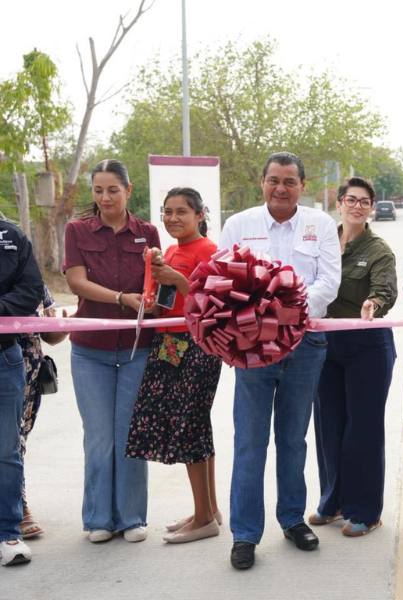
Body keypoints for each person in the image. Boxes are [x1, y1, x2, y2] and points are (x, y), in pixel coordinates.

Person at [219, 152, 340, 570]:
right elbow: (222, 279)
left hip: (305, 345)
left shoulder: (321, 225)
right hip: (252, 349)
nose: (281, 188)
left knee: (293, 439)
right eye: (274, 180)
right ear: (262, 182)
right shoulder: (239, 225)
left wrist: (288, 313)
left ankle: (292, 519)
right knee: (250, 442)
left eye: (289, 181)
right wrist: (263, 321)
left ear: (302, 185)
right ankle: (245, 534)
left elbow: (329, 281)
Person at [63, 159, 160, 544]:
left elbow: (155, 283)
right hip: (91, 352)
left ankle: (132, 517)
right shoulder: (77, 230)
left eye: (113, 190)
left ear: (129, 190)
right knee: (100, 437)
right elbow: (76, 282)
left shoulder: (147, 232)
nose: (105, 197)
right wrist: (122, 299)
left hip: (138, 349)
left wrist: (152, 299)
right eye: (99, 190)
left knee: (130, 434)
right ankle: (99, 518)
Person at [125, 187, 222, 544]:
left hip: (197, 344)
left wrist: (178, 280)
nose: (173, 218)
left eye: (182, 211)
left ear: (200, 215)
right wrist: (151, 295)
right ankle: (207, 510)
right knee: (196, 426)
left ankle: (203, 518)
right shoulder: (169, 251)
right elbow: (166, 303)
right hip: (168, 343)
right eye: (167, 212)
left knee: (190, 427)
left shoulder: (209, 251)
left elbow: (215, 302)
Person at [310, 177, 397, 538]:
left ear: (371, 208)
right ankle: (333, 501)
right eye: (351, 199)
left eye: (365, 201)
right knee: (328, 425)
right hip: (326, 344)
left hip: (367, 345)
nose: (357, 206)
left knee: (362, 429)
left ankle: (365, 510)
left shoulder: (378, 249)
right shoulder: (322, 241)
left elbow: (385, 290)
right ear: (340, 202)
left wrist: (372, 304)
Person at [0, 218, 44, 566]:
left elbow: (30, 291)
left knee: (6, 449)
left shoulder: (12, 236)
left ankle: (8, 534)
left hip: (5, 356)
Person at [18, 287, 68, 540]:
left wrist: (65, 324)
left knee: (16, 443)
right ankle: (18, 507)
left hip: (27, 374)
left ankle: (17, 504)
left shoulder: (29, 277)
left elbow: (51, 333)